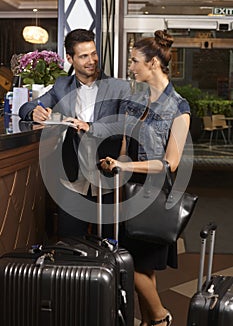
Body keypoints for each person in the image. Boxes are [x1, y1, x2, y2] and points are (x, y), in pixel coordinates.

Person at [100, 30, 190, 326]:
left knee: (133, 266)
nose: (130, 67)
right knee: (141, 268)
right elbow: (126, 148)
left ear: (152, 63)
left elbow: (170, 163)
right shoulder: (133, 102)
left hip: (152, 196)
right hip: (126, 193)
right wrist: (115, 164)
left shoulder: (179, 107)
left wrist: (127, 168)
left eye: (134, 61)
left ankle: (161, 318)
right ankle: (154, 323)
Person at [19, 28, 131, 238]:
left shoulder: (118, 88)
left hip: (107, 181)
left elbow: (123, 126)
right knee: (70, 245)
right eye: (84, 56)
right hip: (72, 181)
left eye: (94, 53)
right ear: (70, 58)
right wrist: (33, 111)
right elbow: (25, 107)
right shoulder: (62, 86)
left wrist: (91, 127)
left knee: (109, 247)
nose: (92, 60)